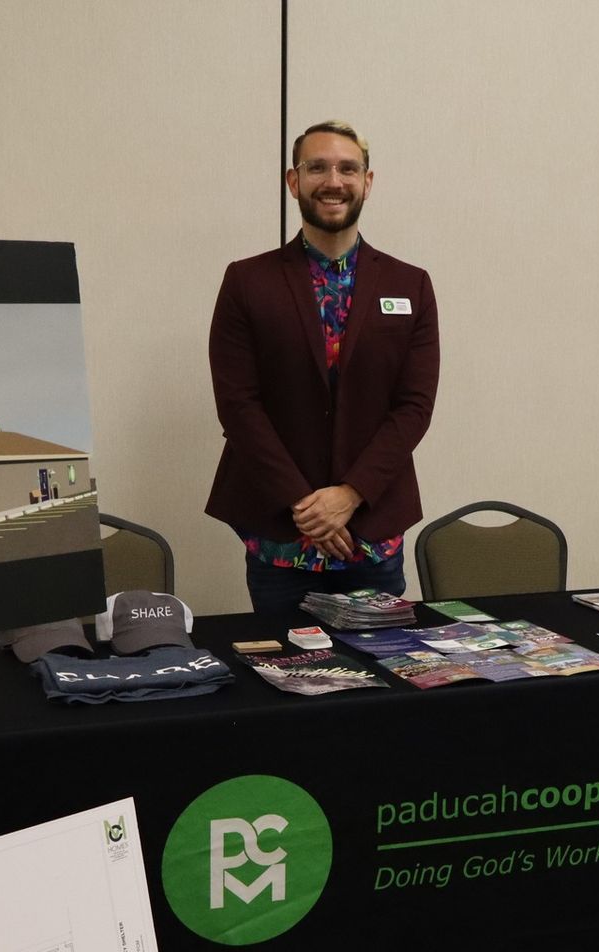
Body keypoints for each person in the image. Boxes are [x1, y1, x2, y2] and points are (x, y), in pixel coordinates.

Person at [206, 119, 440, 613]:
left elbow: (414, 407)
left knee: (383, 680)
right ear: (294, 182)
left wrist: (350, 496)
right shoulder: (247, 282)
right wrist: (307, 508)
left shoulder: (411, 285)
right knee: (287, 674)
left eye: (348, 168)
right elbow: (238, 405)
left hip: (372, 530)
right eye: (317, 167)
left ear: (367, 183)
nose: (333, 180)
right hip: (281, 537)